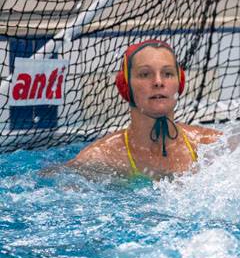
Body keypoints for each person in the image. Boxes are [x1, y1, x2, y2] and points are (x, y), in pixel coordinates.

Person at [67, 39, 220, 179]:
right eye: (145, 74)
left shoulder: (209, 146)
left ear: (179, 83)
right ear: (126, 86)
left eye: (168, 73)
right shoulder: (102, 158)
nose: (158, 82)